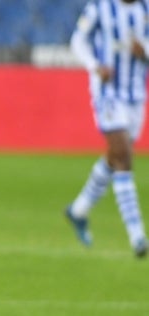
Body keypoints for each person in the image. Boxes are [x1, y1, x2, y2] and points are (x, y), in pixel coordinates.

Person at [66, 0, 148, 258]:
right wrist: (94, 66)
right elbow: (77, 41)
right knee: (123, 156)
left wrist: (144, 51)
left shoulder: (146, 9)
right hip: (107, 93)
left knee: (115, 157)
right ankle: (137, 235)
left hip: (136, 95)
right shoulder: (100, 7)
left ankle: (78, 210)